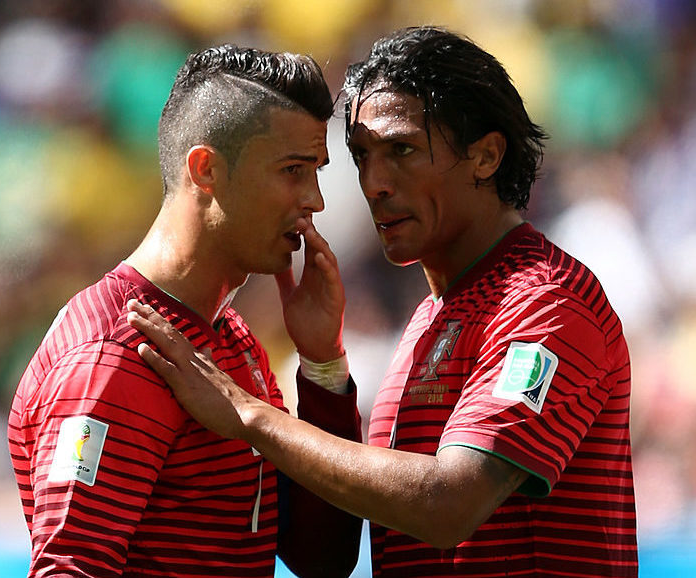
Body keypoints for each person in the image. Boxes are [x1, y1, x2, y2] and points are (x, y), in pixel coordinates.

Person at [126, 26, 638, 577]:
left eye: (402, 151)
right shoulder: (433, 315)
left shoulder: (545, 303)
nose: (375, 184)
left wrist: (251, 417)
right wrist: (324, 365)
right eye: (362, 157)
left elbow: (450, 506)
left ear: (486, 155)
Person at [7, 44, 363, 578]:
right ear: (206, 170)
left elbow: (323, 558)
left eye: (316, 171)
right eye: (293, 170)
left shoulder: (231, 339)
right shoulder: (115, 358)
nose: (315, 200)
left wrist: (322, 365)